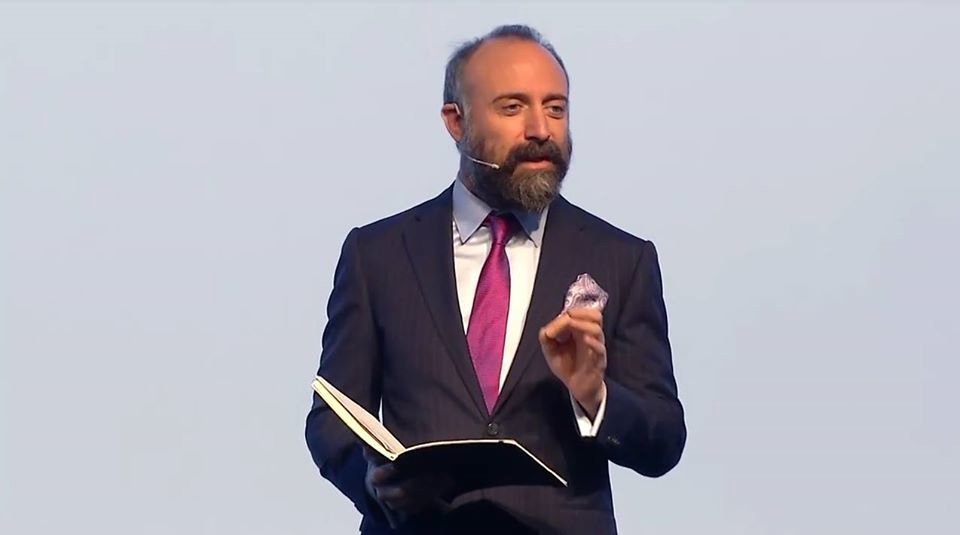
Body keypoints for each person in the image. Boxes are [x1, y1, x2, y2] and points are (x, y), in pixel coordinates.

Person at [305, 24, 686, 534]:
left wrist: (595, 396)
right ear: (456, 121)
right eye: (512, 108)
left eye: (555, 108)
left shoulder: (622, 259)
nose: (540, 129)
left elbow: (663, 440)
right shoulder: (377, 255)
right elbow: (332, 419)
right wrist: (373, 484)